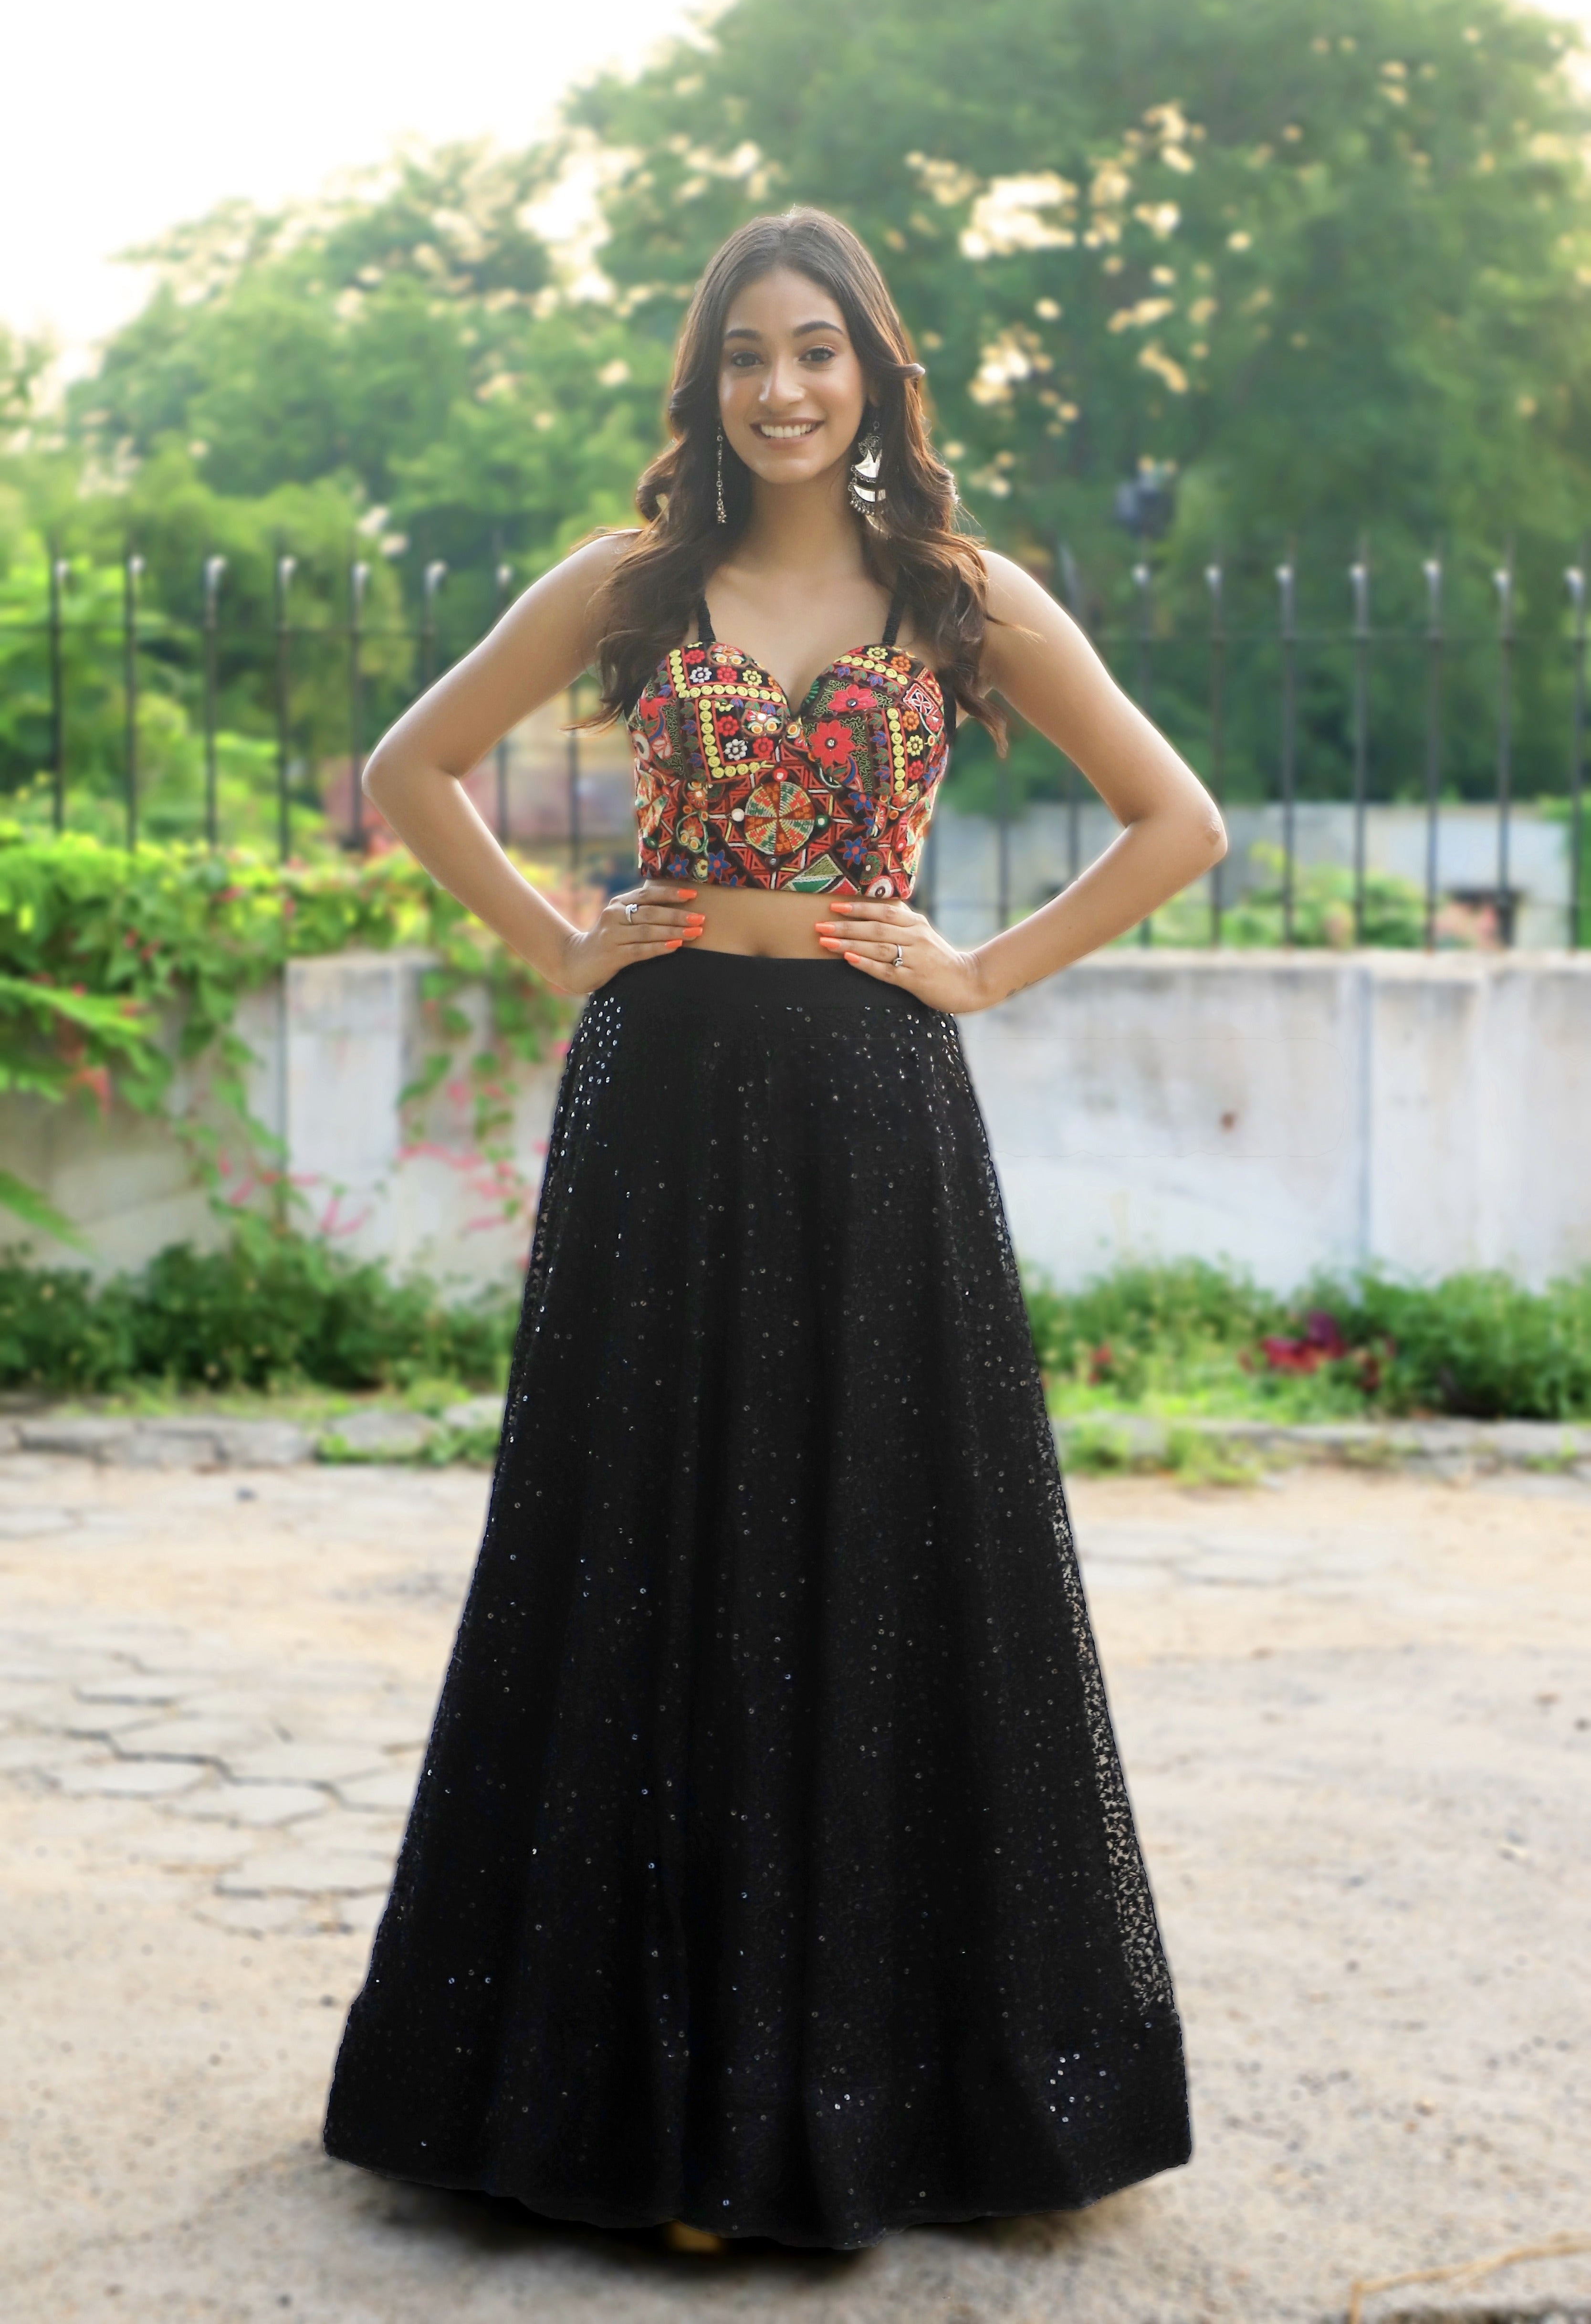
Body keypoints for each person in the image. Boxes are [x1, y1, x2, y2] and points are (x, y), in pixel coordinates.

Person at [323, 206, 1225, 2254]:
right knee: (636, 1538)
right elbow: (411, 765)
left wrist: (981, 971)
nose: (784, 387)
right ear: (706, 383)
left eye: (817, 349)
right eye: (747, 355)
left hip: (876, 1115)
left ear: (876, 372)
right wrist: (568, 938)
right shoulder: (638, 582)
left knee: (882, 1549)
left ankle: (872, 2087)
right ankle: (623, 2094)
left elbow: (1179, 820)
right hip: (660, 1104)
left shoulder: (962, 597)